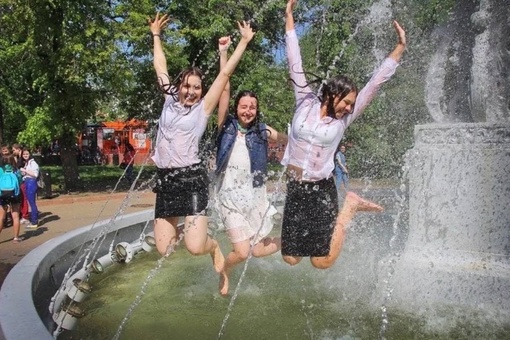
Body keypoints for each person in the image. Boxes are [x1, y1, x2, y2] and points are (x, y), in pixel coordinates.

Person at [281, 0, 406, 268]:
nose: (349, 108)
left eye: (352, 104)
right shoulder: (304, 101)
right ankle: (345, 210)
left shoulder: (343, 121)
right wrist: (289, 19)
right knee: (291, 258)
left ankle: (349, 208)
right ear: (332, 94)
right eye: (346, 101)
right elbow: (294, 61)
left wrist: (398, 50)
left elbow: (375, 84)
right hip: (296, 187)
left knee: (321, 262)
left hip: (321, 188)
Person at [148, 12, 255, 276]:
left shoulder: (203, 109)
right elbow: (160, 66)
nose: (191, 91)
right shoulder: (169, 101)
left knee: (195, 247)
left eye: (197, 87)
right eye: (187, 86)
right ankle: (191, 230)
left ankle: (213, 246)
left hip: (191, 179)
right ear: (179, 86)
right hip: (165, 179)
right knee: (165, 249)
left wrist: (242, 42)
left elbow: (226, 73)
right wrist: (156, 35)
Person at [215, 38, 288, 296]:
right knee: (243, 252)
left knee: (257, 250)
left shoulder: (261, 130)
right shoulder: (226, 126)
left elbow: (287, 140)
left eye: (252, 107)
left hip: (255, 196)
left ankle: (294, 242)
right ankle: (225, 269)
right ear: (236, 108)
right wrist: (224, 53)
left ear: (257, 110)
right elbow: (223, 88)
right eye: (244, 106)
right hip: (230, 197)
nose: (248, 111)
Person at [0, 155, 23, 243]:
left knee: (1, 217)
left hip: (2, 194)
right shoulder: (16, 170)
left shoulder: (1, 170)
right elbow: (20, 181)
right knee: (15, 216)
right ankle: (16, 238)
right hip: (15, 194)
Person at [20, 149, 40, 229]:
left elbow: (35, 174)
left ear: (30, 154)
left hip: (31, 182)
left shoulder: (33, 163)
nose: (25, 155)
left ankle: (34, 222)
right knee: (30, 202)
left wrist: (25, 170)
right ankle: (33, 220)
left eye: (27, 154)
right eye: (24, 154)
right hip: (27, 182)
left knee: (32, 203)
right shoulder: (27, 163)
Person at [12, 144, 29, 224]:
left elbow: (18, 167)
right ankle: (23, 214)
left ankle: (25, 216)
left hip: (23, 180)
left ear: (18, 149)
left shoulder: (22, 158)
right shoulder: (19, 157)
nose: (13, 152)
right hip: (20, 180)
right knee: (22, 198)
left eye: (13, 150)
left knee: (24, 198)